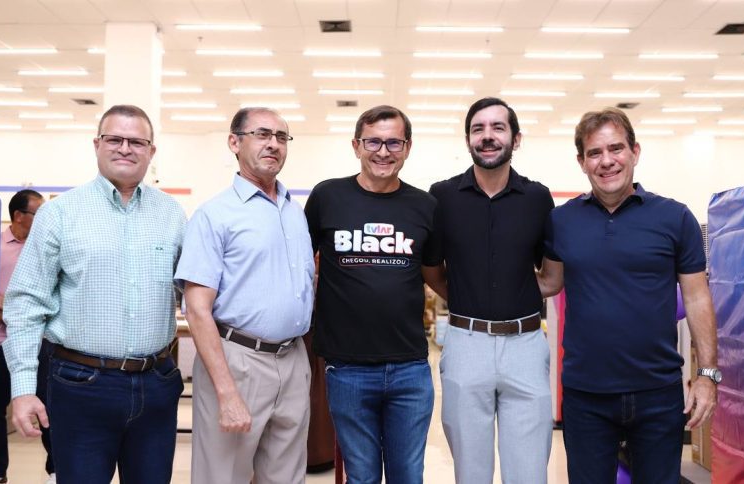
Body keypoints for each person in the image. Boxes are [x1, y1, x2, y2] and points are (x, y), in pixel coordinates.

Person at [3, 104, 186, 483]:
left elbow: (193, 292)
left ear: (151, 151)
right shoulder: (60, 214)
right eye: (114, 139)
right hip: (80, 386)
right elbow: (25, 304)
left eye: (137, 142)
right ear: (97, 144)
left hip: (156, 385)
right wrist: (22, 389)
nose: (125, 148)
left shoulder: (172, 214)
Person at [537, 107, 718, 483]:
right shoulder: (562, 221)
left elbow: (698, 298)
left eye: (616, 149)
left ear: (635, 152)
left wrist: (706, 376)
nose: (606, 161)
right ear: (582, 162)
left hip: (658, 392)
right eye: (594, 153)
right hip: (586, 394)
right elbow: (549, 282)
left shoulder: (675, 218)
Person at [176, 107, 314, 484]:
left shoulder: (294, 213)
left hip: (292, 357)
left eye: (282, 137)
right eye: (262, 134)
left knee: (287, 477)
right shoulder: (214, 215)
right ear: (234, 143)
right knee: (223, 476)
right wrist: (227, 392)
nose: (274, 144)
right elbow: (197, 309)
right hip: (238, 360)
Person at [305, 105, 441, 483]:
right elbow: (299, 263)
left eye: (394, 142)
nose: (383, 152)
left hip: (410, 368)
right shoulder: (328, 196)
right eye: (373, 142)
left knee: (408, 476)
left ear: (407, 147)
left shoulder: (425, 206)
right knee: (361, 477)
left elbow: (435, 275)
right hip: (347, 369)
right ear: (356, 145)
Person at [423, 97, 555, 484]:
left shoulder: (537, 198)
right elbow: (431, 269)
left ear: (516, 138)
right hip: (466, 345)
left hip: (525, 345)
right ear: (467, 139)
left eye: (498, 127)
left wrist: (514, 293)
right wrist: (466, 297)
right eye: (478, 128)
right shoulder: (442, 196)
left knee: (529, 474)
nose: (488, 136)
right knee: (471, 473)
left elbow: (551, 275)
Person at [0, 189, 55, 484]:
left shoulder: (44, 248)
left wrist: (13, 307)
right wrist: (0, 305)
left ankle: (56, 471)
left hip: (39, 342)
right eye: (37, 214)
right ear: (18, 216)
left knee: (50, 407)